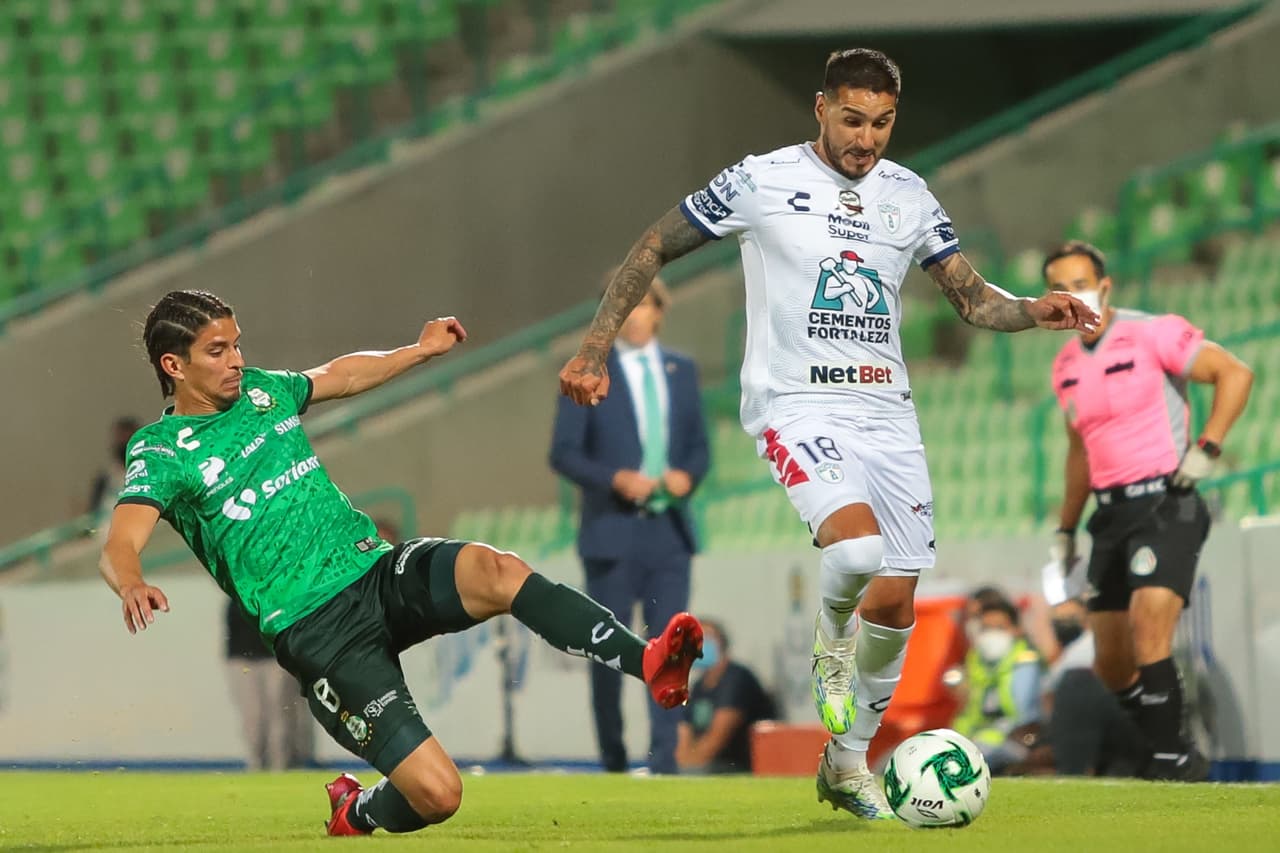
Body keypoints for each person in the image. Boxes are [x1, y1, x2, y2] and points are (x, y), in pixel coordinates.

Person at [558, 48, 1096, 818]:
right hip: (794, 402)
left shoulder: (908, 195)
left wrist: (1032, 308)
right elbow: (653, 244)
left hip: (888, 413)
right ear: (819, 108)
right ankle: (830, 642)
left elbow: (973, 299)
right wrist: (593, 346)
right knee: (854, 552)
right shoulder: (760, 180)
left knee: (898, 597)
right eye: (851, 119)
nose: (866, 137)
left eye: (881, 123)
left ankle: (845, 763)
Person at [99, 290, 704, 837]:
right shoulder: (160, 449)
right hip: (317, 631)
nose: (235, 359)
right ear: (173, 365)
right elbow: (121, 541)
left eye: (237, 344)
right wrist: (131, 581)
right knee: (440, 795)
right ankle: (356, 811)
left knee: (498, 570)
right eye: (217, 350)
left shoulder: (261, 390)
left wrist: (418, 351)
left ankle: (647, 661)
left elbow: (339, 374)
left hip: (376, 572)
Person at [1045, 240, 1253, 781]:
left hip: (1167, 501)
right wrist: (1066, 528)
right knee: (1111, 664)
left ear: (1105, 286)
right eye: (1060, 288)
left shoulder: (1151, 332)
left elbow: (1235, 373)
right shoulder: (1065, 366)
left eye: (1081, 282)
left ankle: (1171, 763)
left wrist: (1206, 448)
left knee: (1148, 627)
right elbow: (1077, 454)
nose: (1074, 295)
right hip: (1109, 517)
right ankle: (1173, 744)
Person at [549, 274, 709, 775]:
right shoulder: (586, 372)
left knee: (671, 652)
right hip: (611, 533)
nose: (634, 316)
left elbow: (699, 448)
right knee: (609, 652)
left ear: (660, 311)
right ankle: (614, 760)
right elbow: (564, 454)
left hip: (668, 534)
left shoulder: (682, 370)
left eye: (643, 306)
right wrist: (615, 478)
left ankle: (664, 763)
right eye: (624, 307)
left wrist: (688, 475)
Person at [951, 594, 1043, 775]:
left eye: (1000, 628)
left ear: (1016, 630)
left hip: (1013, 742)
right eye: (987, 628)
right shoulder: (976, 661)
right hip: (971, 740)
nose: (992, 634)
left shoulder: (1025, 661)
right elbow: (969, 713)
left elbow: (1023, 717)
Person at [676, 619, 776, 774]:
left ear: (721, 643)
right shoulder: (698, 687)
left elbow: (716, 740)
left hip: (739, 767)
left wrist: (686, 769)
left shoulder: (736, 679)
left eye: (706, 637)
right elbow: (684, 735)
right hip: (709, 766)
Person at [224, 600, 312, 771]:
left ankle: (282, 763)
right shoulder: (239, 584)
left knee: (280, 712)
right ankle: (256, 762)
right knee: (253, 715)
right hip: (241, 656)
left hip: (275, 656)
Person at [87, 416, 142, 523]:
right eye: (121, 438)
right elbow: (93, 515)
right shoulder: (104, 480)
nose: (124, 443)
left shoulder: (152, 476)